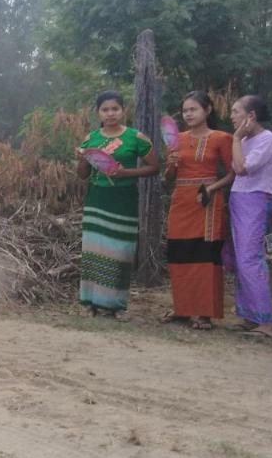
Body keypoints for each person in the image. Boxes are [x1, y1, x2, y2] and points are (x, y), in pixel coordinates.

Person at [75, 91, 160, 320]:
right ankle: (89, 303)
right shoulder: (90, 139)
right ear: (98, 113)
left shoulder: (136, 137)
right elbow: (82, 175)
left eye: (115, 109)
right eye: (105, 109)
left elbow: (155, 167)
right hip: (97, 200)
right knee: (94, 251)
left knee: (120, 252)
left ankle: (117, 306)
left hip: (123, 200)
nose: (110, 113)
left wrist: (126, 173)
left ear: (124, 111)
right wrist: (83, 158)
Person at [162, 91, 234, 330]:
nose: (188, 114)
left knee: (204, 255)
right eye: (185, 111)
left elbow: (234, 173)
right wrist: (170, 165)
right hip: (181, 201)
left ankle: (204, 313)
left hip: (207, 201)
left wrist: (212, 188)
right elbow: (168, 177)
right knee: (179, 253)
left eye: (193, 109)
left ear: (208, 110)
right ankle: (182, 309)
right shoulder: (176, 140)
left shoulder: (222, 138)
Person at [228, 95, 272, 335]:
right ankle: (247, 315)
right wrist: (239, 139)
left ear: (251, 116)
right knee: (240, 260)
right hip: (239, 198)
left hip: (256, 199)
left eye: (236, 111)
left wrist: (237, 138)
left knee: (250, 259)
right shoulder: (245, 140)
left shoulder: (267, 139)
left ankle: (265, 320)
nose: (231, 116)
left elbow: (241, 168)